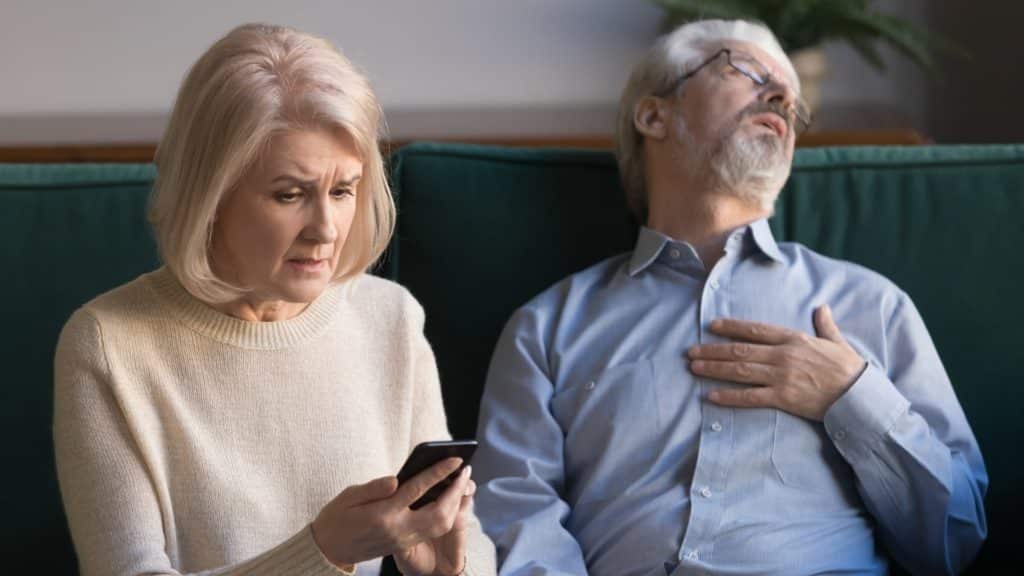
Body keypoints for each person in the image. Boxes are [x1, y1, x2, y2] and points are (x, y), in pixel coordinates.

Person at [472, 19, 987, 576]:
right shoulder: (546, 328)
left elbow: (954, 539)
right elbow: (514, 522)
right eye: (745, 71)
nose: (782, 97)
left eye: (791, 99)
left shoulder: (872, 305)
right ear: (654, 115)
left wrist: (852, 396)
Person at [53, 23, 495, 576]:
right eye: (290, 194)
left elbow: (466, 535)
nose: (327, 229)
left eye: (342, 191)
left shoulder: (391, 317)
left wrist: (449, 572)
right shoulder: (107, 346)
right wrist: (320, 553)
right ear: (209, 196)